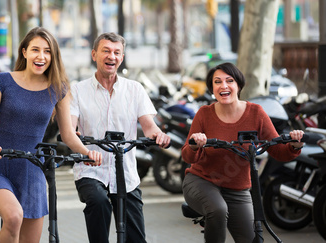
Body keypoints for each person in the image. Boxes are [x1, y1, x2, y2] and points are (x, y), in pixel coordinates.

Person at [0, 26, 102, 243]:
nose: (41, 56)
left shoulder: (59, 89)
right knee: (14, 216)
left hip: (33, 169)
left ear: (53, 56)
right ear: (24, 52)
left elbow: (68, 134)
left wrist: (87, 153)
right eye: (35, 50)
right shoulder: (2, 81)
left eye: (47, 51)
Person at [181, 62, 304, 243]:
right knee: (218, 209)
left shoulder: (256, 113)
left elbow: (278, 151)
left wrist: (294, 145)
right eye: (217, 82)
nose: (223, 86)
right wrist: (194, 145)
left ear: (238, 85)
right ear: (212, 89)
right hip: (201, 181)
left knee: (250, 239)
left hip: (237, 189)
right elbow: (186, 155)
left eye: (229, 81)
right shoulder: (204, 114)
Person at [70, 32, 171, 243]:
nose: (111, 56)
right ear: (94, 54)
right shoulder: (77, 90)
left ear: (122, 57)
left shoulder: (134, 89)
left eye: (117, 52)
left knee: (136, 237)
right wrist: (79, 144)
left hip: (125, 173)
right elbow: (70, 129)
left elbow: (149, 126)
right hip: (91, 169)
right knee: (98, 202)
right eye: (106, 51)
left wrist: (158, 135)